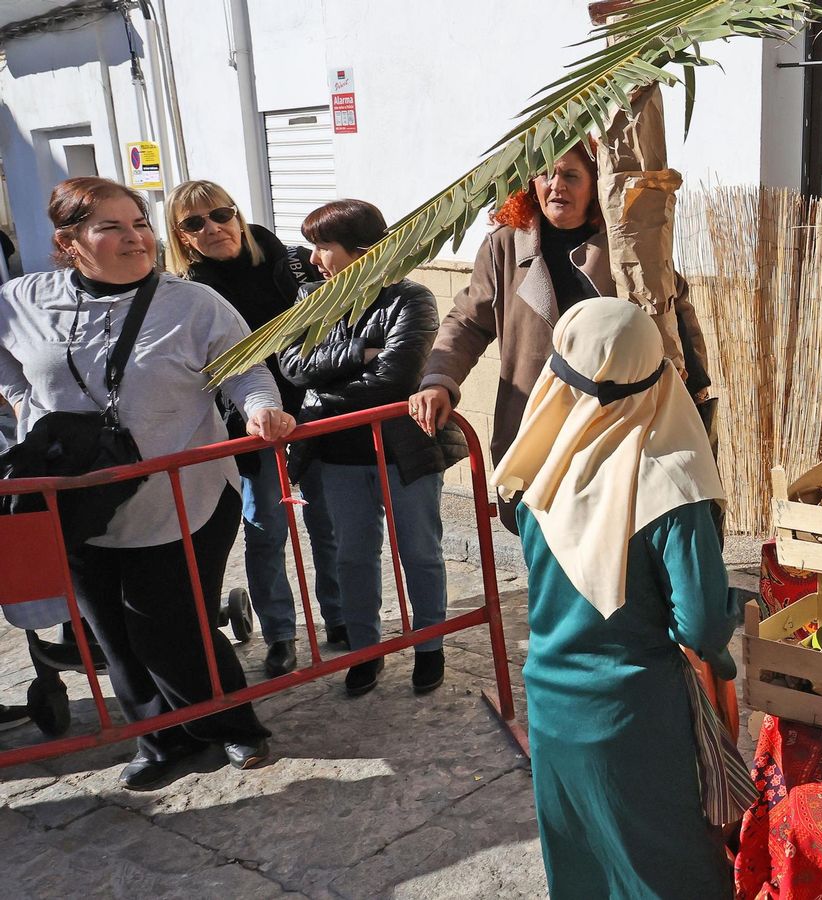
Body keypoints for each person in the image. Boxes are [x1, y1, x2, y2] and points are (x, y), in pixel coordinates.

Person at [0, 177, 291, 788]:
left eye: (140, 223)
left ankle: (231, 727)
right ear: (68, 241)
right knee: (111, 631)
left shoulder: (194, 304)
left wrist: (262, 408)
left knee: (170, 623)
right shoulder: (21, 299)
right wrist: (21, 400)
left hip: (182, 491)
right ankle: (161, 741)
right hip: (75, 498)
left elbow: (247, 372)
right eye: (112, 227)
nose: (136, 238)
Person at [491, 297, 739, 899]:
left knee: (584, 869)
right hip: (638, 719)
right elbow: (702, 625)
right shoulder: (672, 485)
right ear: (659, 376)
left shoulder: (540, 471)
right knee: (668, 870)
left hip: (552, 707)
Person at [409, 143, 716, 533]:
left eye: (571, 176)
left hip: (614, 423)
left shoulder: (628, 247)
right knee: (542, 537)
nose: (556, 186)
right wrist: (439, 380)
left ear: (595, 186)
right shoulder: (504, 244)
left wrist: (695, 389)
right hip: (537, 424)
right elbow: (469, 321)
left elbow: (675, 314)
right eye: (545, 174)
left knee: (613, 540)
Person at [278, 199, 465, 697]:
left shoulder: (411, 299)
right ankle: (366, 650)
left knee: (420, 551)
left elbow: (395, 379)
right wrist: (361, 354)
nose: (314, 258)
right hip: (337, 452)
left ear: (362, 253)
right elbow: (292, 367)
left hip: (406, 449)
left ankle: (430, 645)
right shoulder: (310, 298)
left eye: (323, 247)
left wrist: (328, 380)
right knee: (353, 557)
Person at [166, 179, 341, 677]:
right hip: (251, 429)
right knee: (266, 532)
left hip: (313, 415)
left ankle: (341, 619)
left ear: (237, 214)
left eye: (221, 214)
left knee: (327, 524)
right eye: (194, 223)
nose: (213, 228)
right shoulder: (189, 294)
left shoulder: (287, 261)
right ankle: (281, 634)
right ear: (181, 238)